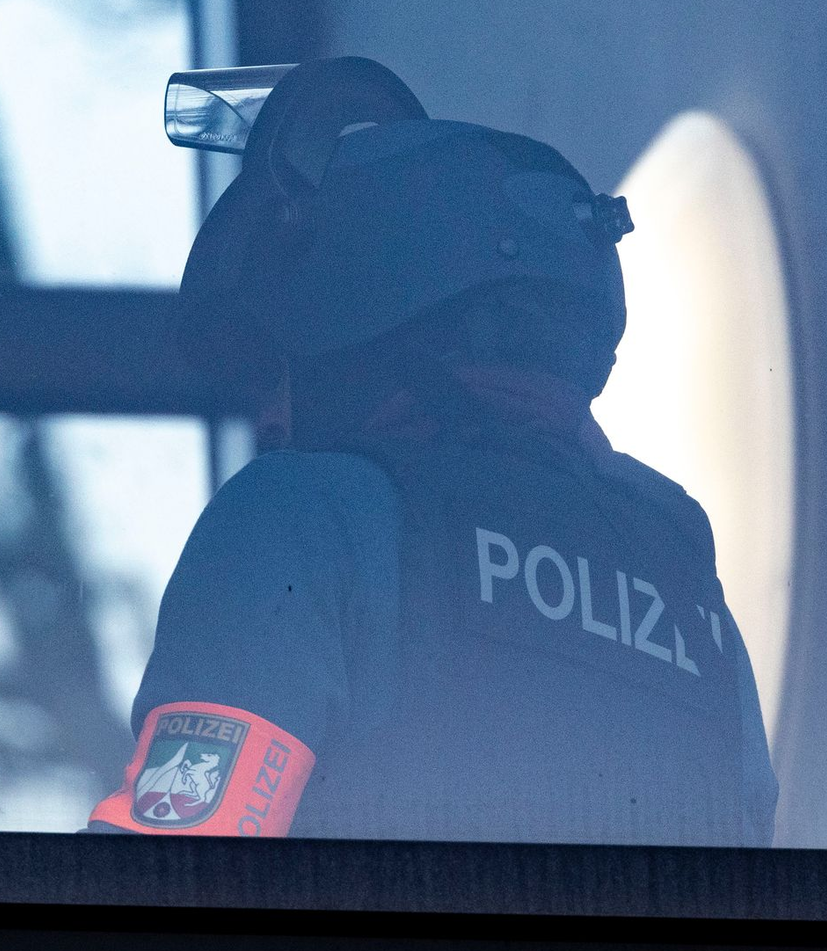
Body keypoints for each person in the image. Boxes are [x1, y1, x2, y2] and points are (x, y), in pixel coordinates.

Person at [86, 58, 778, 844]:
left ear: (364, 324)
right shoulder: (693, 594)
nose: (271, 423)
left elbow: (174, 879)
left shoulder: (302, 517)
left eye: (276, 377)